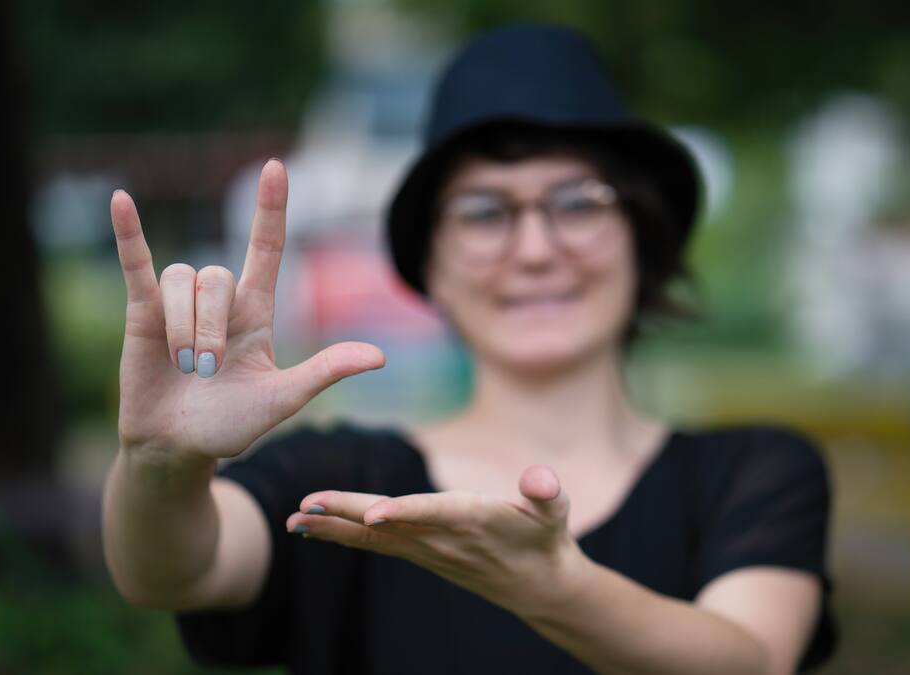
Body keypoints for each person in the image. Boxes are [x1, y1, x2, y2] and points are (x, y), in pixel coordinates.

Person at [102, 23, 836, 675]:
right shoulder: (348, 487)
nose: (535, 249)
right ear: (434, 266)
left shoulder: (752, 472)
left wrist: (554, 588)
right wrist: (161, 464)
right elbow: (175, 570)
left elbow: (755, 657)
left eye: (578, 202)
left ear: (640, 239)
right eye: (486, 212)